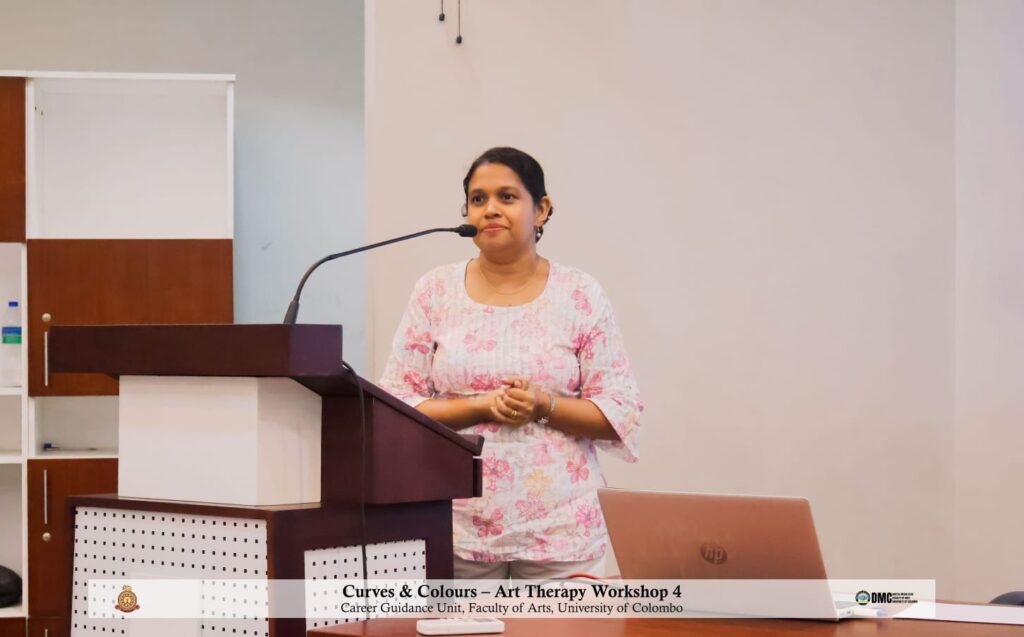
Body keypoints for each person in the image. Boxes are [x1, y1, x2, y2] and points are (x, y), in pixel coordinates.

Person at [379, 147, 642, 580]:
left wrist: (544, 406)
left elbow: (619, 412)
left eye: (506, 196)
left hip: (562, 530)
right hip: (456, 526)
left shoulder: (580, 293)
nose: (490, 209)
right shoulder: (434, 291)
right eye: (478, 199)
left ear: (542, 209)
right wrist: (479, 407)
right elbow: (396, 405)